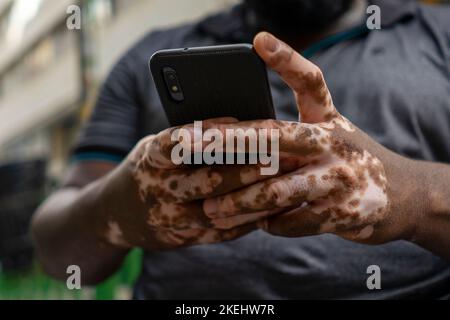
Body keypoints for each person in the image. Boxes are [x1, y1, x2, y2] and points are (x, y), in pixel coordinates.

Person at [32, 0, 450, 299]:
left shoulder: (439, 33)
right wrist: (116, 207)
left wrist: (405, 196)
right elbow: (56, 251)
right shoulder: (150, 56)